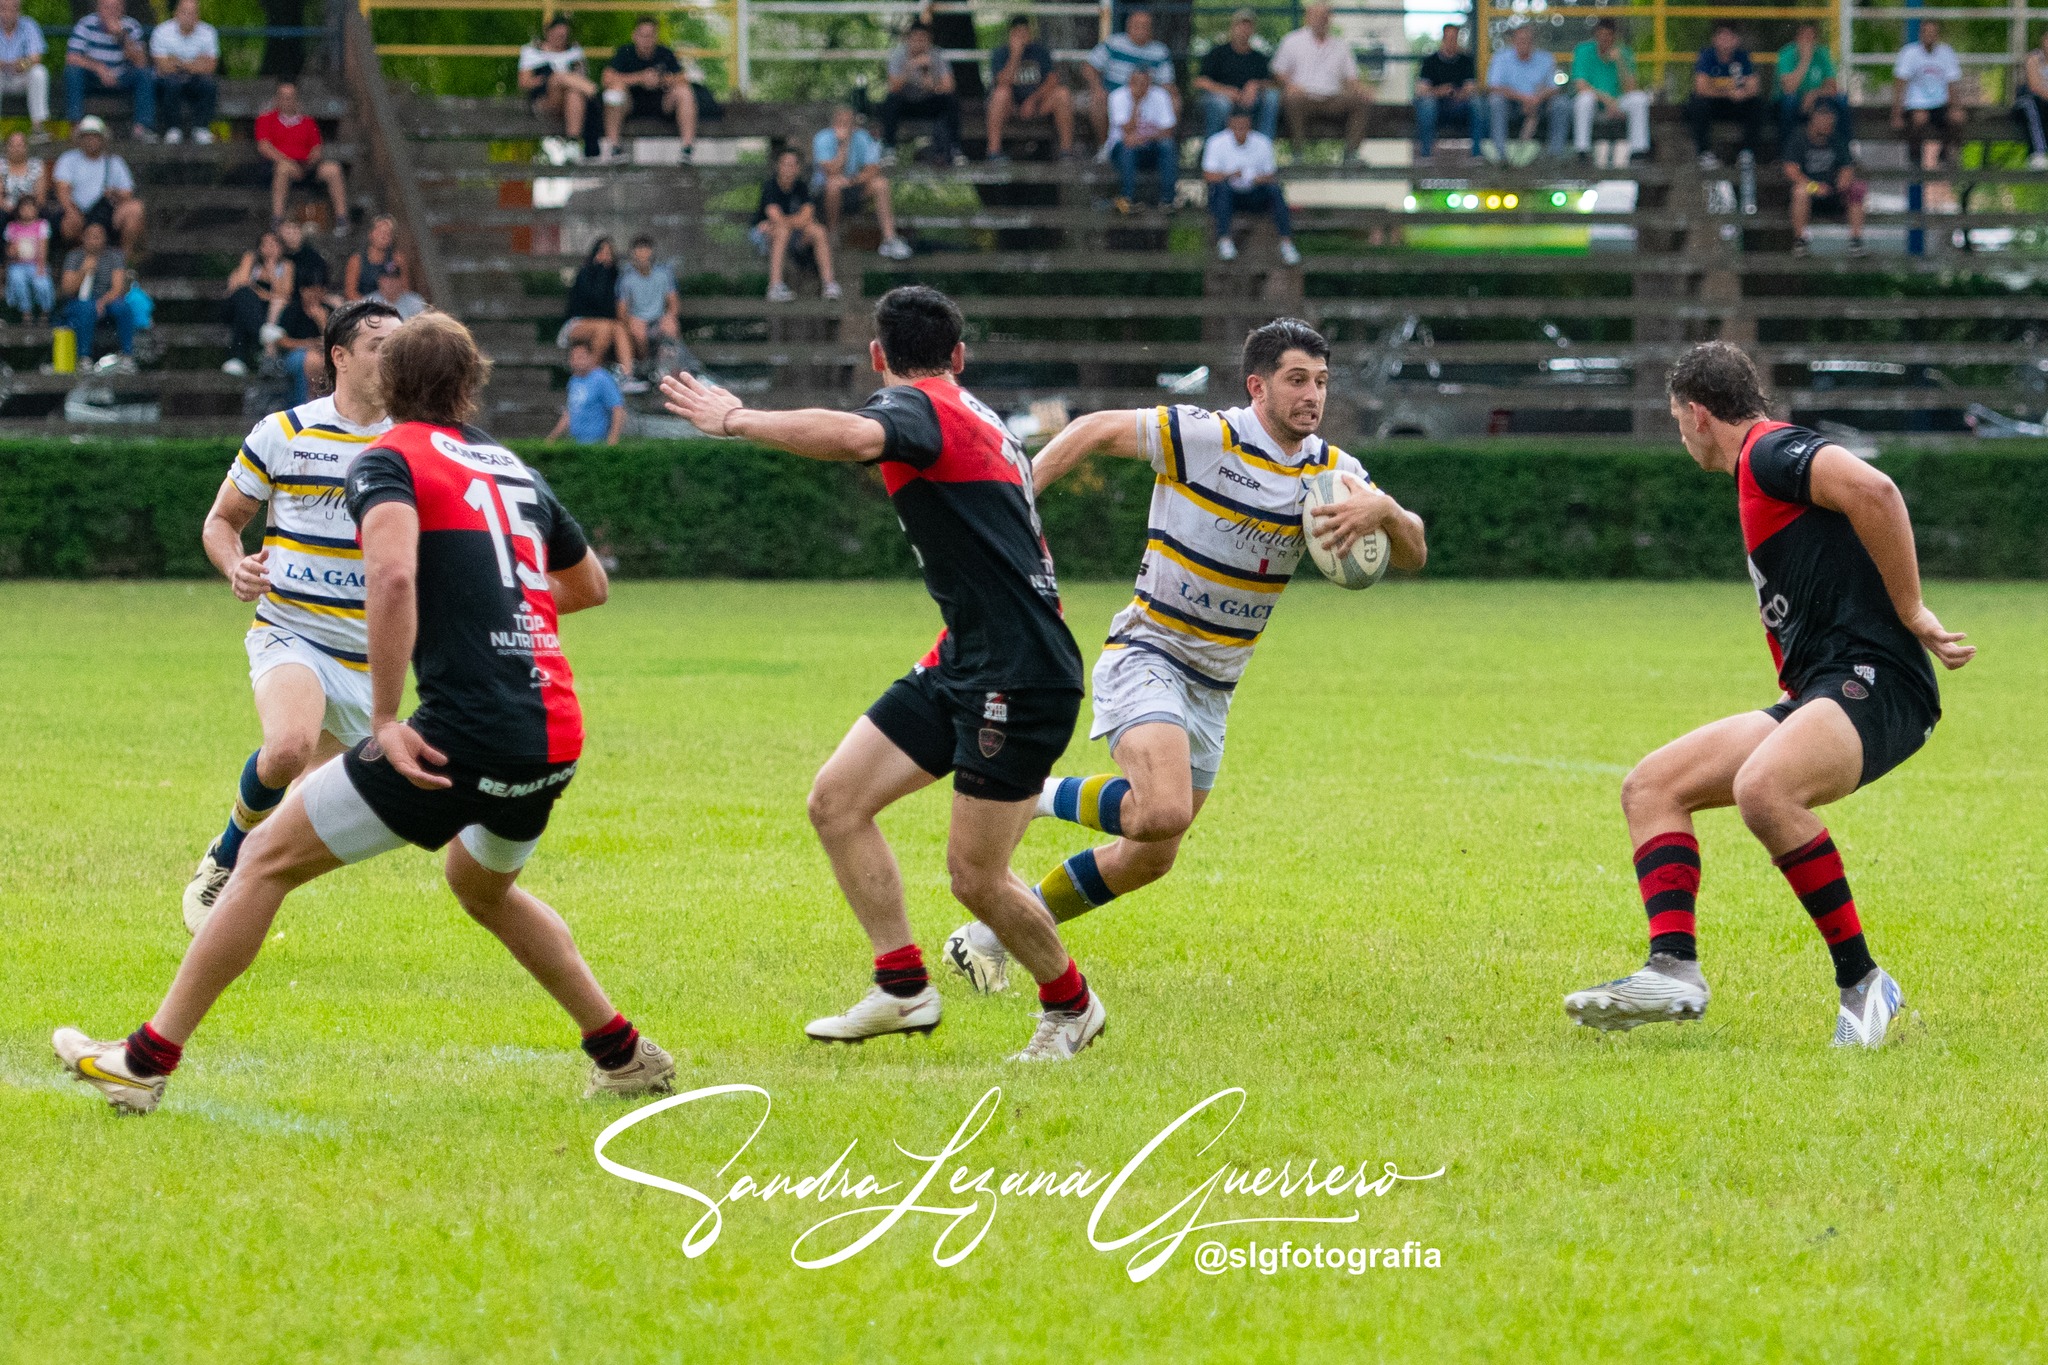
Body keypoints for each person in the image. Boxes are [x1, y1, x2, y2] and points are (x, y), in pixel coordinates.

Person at [66, 310, 679, 1114]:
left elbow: (390, 581)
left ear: (393, 381)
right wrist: (495, 614)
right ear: (470, 383)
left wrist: (387, 718)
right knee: (482, 886)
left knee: (265, 862)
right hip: (552, 730)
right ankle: (624, 1053)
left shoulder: (390, 456)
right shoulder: (510, 465)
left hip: (459, 731)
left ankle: (144, 1062)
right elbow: (589, 586)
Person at [657, 286, 1106, 1063]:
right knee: (836, 801)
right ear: (959, 355)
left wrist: (734, 417)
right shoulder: (974, 412)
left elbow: (856, 434)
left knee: (974, 876)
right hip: (965, 655)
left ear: (878, 357)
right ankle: (904, 988)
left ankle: (1072, 1007)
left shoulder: (922, 409)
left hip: (1020, 673)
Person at [940, 318, 1426, 996]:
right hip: (1150, 653)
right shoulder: (1207, 435)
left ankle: (993, 933)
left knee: (1149, 857)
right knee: (1161, 808)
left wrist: (1387, 512)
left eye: (1320, 381)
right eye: (1295, 380)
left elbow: (1415, 553)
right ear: (1257, 386)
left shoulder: (1333, 474)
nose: (1312, 394)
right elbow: (1092, 428)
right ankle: (1035, 793)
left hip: (1216, 683)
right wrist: (1016, 505)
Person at [1563, 341, 1974, 1050]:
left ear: (1697, 415)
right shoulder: (1760, 463)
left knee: (1765, 789)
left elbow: (1875, 490)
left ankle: (1865, 983)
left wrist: (1912, 612)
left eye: (1675, 420)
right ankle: (1674, 969)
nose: (1680, 434)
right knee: (1652, 786)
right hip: (1824, 687)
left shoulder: (1768, 453)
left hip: (1879, 681)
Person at [182, 298, 401, 925]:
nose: (395, 355)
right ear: (340, 356)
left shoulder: (413, 443)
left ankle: (246, 867)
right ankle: (225, 857)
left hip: (369, 658)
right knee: (287, 746)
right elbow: (222, 521)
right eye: (380, 344)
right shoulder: (283, 433)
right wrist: (235, 565)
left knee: (307, 811)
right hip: (291, 632)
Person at [1272, 3, 1371, 163]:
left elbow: (1352, 78)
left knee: (1361, 101)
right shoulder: (1292, 41)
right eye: (1317, 16)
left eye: (1325, 16)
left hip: (1333, 98)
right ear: (1308, 18)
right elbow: (1278, 71)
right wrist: (1290, 85)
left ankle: (1351, 153)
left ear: (1330, 19)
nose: (1321, 20)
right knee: (1291, 100)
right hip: (1304, 96)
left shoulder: (1341, 45)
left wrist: (1362, 90)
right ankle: (1298, 153)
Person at [813, 105, 912, 259]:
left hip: (852, 185)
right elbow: (830, 171)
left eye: (848, 122)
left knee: (881, 183)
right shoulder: (823, 138)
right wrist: (843, 146)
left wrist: (852, 180)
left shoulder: (863, 137)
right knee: (833, 183)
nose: (845, 126)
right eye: (841, 122)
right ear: (834, 123)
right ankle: (832, 235)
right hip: (825, 192)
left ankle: (889, 238)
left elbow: (873, 168)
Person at [1203, 107, 1296, 264]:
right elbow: (1208, 175)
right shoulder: (1216, 142)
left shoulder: (1262, 142)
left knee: (1274, 190)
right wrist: (1230, 175)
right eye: (1236, 126)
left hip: (1253, 195)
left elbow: (1271, 175)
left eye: (1244, 126)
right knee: (1221, 189)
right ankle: (1225, 240)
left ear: (1250, 125)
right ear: (1229, 125)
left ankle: (1286, 244)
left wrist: (1258, 179)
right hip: (1228, 196)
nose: (1240, 130)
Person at [601, 16, 697, 163]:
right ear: (635, 35)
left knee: (684, 91)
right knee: (614, 92)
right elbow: (606, 79)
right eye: (642, 35)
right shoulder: (624, 52)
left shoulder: (665, 53)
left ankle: (687, 149)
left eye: (650, 36)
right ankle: (614, 148)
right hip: (630, 105)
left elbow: (683, 78)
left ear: (656, 37)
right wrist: (640, 78)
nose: (646, 40)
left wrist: (661, 80)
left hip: (661, 104)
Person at [258, 81, 349, 234]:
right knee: (283, 169)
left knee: (333, 169)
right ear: (277, 99)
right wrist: (287, 160)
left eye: (291, 97)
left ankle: (342, 219)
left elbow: (316, 147)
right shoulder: (266, 119)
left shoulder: (307, 121)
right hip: (281, 165)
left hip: (306, 166)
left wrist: (311, 161)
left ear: (296, 99)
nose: (287, 100)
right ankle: (277, 218)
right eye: (284, 97)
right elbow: (264, 147)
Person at [986, 15, 1077, 161]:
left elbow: (1052, 80)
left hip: (1038, 104)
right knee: (1000, 94)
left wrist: (1033, 100)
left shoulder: (1040, 51)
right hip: (1011, 105)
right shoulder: (1000, 53)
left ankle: (1066, 151)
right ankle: (994, 151)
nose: (1022, 37)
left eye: (1025, 32)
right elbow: (1002, 82)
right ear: (1011, 34)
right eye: (1018, 33)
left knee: (1063, 93)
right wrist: (1015, 56)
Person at [753, 148, 839, 303]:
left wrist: (795, 223)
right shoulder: (770, 186)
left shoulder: (802, 187)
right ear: (778, 166)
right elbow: (775, 217)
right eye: (785, 164)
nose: (788, 168)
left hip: (793, 233)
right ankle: (774, 286)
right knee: (781, 231)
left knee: (818, 230)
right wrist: (796, 222)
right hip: (763, 234)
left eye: (793, 165)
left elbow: (806, 216)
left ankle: (829, 284)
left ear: (798, 168)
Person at [1081, 10, 1176, 149]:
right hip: (1114, 92)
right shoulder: (1114, 43)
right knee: (1097, 101)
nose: (1140, 29)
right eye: (1136, 25)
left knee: (1174, 101)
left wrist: (1170, 96)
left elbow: (1166, 82)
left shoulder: (1160, 51)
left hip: (1148, 95)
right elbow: (1089, 67)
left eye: (1145, 26)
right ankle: (1106, 147)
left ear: (1151, 29)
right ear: (1128, 26)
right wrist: (1097, 88)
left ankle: (1162, 146)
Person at [64, 0, 153, 140]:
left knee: (145, 74)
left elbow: (141, 62)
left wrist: (122, 37)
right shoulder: (86, 24)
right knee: (73, 72)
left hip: (121, 77)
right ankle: (76, 125)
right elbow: (72, 57)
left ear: (122, 8)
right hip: (94, 78)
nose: (111, 12)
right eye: (107, 7)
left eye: (115, 7)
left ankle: (141, 128)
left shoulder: (131, 26)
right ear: (98, 7)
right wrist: (98, 68)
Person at [1784, 103, 1866, 255]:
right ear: (1814, 120)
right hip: (1812, 190)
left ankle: (1856, 241)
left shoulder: (1836, 139)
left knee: (1857, 188)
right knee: (1799, 191)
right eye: (1825, 120)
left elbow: (1847, 165)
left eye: (1831, 120)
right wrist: (1814, 186)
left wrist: (1844, 178)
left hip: (1834, 190)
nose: (1829, 124)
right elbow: (1791, 170)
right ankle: (1800, 240)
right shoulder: (1799, 138)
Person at [560, 235, 637, 390]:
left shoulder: (616, 276)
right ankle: (588, 377)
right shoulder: (585, 274)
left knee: (617, 328)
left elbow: (612, 309)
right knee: (606, 327)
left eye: (609, 253)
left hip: (606, 326)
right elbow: (593, 302)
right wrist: (601, 270)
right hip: (577, 324)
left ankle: (627, 376)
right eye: (602, 252)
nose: (606, 256)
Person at [53, 116, 141, 250]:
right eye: (86, 136)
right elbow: (62, 189)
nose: (91, 140)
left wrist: (114, 193)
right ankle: (80, 259)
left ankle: (123, 262)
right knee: (68, 224)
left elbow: (127, 193)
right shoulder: (68, 159)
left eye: (95, 136)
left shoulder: (115, 162)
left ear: (102, 139)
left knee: (136, 209)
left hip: (106, 213)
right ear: (80, 139)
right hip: (79, 212)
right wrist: (71, 211)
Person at [1570, 18, 1650, 163]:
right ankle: (1582, 150)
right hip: (1597, 102)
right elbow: (1581, 85)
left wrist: (1620, 62)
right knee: (1583, 100)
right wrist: (1607, 101)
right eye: (1601, 35)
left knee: (1640, 99)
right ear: (1596, 35)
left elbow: (1631, 89)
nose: (1604, 39)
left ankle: (1639, 150)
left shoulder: (1625, 53)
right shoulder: (1583, 51)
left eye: (1608, 35)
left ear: (1614, 37)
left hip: (1619, 103)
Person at [880, 22, 961, 165]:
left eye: (923, 40)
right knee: (890, 101)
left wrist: (928, 77)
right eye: (915, 39)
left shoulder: (937, 55)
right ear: (908, 40)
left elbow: (949, 87)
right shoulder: (898, 56)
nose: (919, 43)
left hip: (929, 103)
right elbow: (893, 87)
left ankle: (955, 148)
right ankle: (889, 149)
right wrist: (910, 68)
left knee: (951, 101)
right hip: (906, 104)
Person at [1485, 22, 1566, 163]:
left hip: (1539, 104)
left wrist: (1537, 99)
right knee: (1495, 101)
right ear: (1513, 41)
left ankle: (1555, 155)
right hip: (1512, 104)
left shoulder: (1546, 58)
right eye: (1520, 39)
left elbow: (1554, 88)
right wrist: (1523, 98)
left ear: (1533, 41)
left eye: (1528, 40)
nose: (1524, 43)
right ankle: (1500, 155)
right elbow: (1494, 87)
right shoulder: (1501, 58)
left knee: (1561, 104)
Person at [1686, 22, 1764, 169]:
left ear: (1736, 40)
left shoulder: (1743, 57)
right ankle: (1704, 153)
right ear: (1714, 39)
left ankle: (1747, 153)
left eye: (1729, 37)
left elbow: (1754, 87)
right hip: (1714, 105)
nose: (1725, 41)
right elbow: (1700, 87)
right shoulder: (1707, 56)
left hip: (1735, 105)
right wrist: (1727, 92)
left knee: (1757, 104)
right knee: (1697, 104)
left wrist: (1742, 94)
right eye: (1722, 36)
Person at [1892, 20, 1965, 173]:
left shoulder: (1946, 53)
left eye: (1933, 33)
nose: (1930, 36)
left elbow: (1952, 83)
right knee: (1919, 119)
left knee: (1957, 118)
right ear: (1921, 34)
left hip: (1940, 103)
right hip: (1916, 103)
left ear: (1938, 35)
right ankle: (1915, 155)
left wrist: (1955, 107)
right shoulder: (1910, 53)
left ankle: (1945, 154)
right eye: (1926, 32)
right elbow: (1900, 84)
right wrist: (1896, 114)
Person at [57, 220, 133, 366]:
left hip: (106, 299)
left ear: (105, 238)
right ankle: (84, 356)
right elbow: (67, 289)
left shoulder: (114, 257)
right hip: (79, 301)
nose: (95, 240)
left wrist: (102, 302)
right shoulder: (74, 257)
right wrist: (84, 271)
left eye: (98, 236)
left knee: (124, 308)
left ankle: (127, 355)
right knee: (86, 309)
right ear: (83, 238)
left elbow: (118, 287)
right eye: (91, 236)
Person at [1195, 9, 1278, 142]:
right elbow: (1200, 81)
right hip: (1220, 99)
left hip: (1250, 101)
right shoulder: (1217, 53)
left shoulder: (1259, 58)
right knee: (1221, 104)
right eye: (1240, 25)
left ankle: (1264, 145)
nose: (1244, 30)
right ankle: (1212, 149)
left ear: (1253, 30)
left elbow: (1271, 83)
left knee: (1272, 97)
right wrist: (1226, 91)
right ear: (1232, 28)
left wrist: (1255, 85)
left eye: (1248, 26)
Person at [519, 18, 597, 158]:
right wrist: (545, 80)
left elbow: (580, 76)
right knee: (558, 77)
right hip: (545, 101)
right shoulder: (532, 51)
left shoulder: (575, 52)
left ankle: (573, 144)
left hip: (570, 103)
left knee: (574, 93)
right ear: (548, 33)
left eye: (563, 36)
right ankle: (595, 92)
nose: (559, 39)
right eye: (556, 35)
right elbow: (524, 82)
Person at [221, 227, 293, 376]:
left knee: (244, 312)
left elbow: (284, 294)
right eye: (265, 244)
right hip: (238, 304)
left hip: (259, 311)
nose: (269, 248)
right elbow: (241, 284)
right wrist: (265, 294)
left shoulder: (286, 266)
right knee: (244, 297)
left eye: (274, 244)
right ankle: (261, 330)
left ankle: (237, 359)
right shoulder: (250, 259)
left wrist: (272, 273)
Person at [1105, 65, 1176, 212]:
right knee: (1127, 148)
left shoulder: (1161, 96)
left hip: (1151, 146)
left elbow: (1168, 131)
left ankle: (1168, 201)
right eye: (1136, 82)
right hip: (1122, 150)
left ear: (1150, 83)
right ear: (1129, 82)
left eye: (1144, 83)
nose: (1140, 86)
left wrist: (1146, 136)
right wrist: (1136, 103)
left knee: (1168, 146)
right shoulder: (1117, 97)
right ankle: (1127, 199)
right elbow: (1127, 132)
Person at [151, 0, 219, 145]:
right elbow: (162, 66)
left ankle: (201, 128)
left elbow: (211, 66)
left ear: (198, 15)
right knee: (171, 84)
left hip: (196, 80)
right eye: (185, 12)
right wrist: (196, 63)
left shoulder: (208, 32)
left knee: (209, 84)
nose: (189, 16)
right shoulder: (162, 31)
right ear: (176, 14)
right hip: (170, 80)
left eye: (193, 13)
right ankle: (173, 128)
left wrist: (178, 62)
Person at [614, 232, 686, 366]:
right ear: (633, 253)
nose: (642, 253)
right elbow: (621, 310)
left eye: (646, 249)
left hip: (658, 318)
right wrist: (631, 320)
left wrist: (669, 316)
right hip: (637, 319)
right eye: (639, 249)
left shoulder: (664, 273)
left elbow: (673, 303)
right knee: (639, 333)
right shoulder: (626, 277)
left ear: (652, 252)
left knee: (671, 327)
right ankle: (645, 366)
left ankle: (672, 368)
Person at [1413, 23, 1477, 162]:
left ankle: (1477, 155)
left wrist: (1457, 94)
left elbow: (1470, 88)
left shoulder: (1466, 61)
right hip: (1436, 108)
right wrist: (1440, 91)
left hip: (1459, 107)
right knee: (1427, 105)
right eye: (1449, 38)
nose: (1451, 42)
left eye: (1454, 38)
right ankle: (1426, 155)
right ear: (1443, 39)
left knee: (1478, 104)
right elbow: (1421, 90)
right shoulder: (1430, 61)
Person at [1775, 21, 1842, 142]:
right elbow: (1789, 88)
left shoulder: (1822, 54)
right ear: (1797, 38)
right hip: (1790, 100)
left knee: (1841, 101)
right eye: (1804, 36)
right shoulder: (1786, 54)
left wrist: (1814, 94)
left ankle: (1845, 152)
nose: (1808, 41)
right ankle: (1786, 153)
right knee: (1790, 101)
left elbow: (1832, 87)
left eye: (1811, 37)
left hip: (1815, 98)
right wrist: (1805, 60)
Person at [551, 336, 625, 445]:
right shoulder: (574, 380)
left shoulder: (602, 379)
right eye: (573, 358)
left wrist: (613, 438)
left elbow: (618, 409)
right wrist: (552, 438)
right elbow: (570, 411)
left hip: (597, 443)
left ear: (591, 357)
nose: (577, 361)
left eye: (581, 357)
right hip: (576, 442)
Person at [0, 0, 50, 140]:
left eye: (12, 9)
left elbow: (36, 58)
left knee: (39, 72)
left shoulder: (29, 25)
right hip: (1, 77)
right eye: (3, 9)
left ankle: (38, 128)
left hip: (21, 76)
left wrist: (21, 65)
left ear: (18, 11)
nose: (6, 14)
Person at [343, 213, 407, 302]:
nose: (384, 236)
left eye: (388, 233)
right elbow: (350, 292)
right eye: (380, 231)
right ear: (371, 233)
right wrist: (371, 307)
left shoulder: (397, 259)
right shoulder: (356, 260)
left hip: (392, 305)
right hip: (364, 306)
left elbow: (405, 289)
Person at [5, 192, 50, 318]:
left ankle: (44, 311)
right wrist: (12, 252)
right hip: (17, 265)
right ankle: (26, 311)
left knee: (41, 283)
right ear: (18, 210)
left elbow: (43, 247)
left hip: (36, 263)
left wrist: (41, 266)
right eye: (24, 208)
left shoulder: (42, 225)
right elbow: (9, 250)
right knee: (17, 279)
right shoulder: (12, 227)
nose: (27, 211)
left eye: (31, 208)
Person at [2018, 28, 2048, 169]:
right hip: (2030, 99)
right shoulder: (2034, 59)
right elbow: (2034, 86)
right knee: (2032, 107)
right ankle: (2038, 152)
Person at [1, 129, 47, 217]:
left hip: (32, 210)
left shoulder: (37, 165)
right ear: (6, 147)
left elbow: (41, 197)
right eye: (12, 145)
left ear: (26, 147)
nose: (16, 149)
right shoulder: (1, 166)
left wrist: (28, 211)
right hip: (4, 211)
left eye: (19, 145)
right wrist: (7, 208)